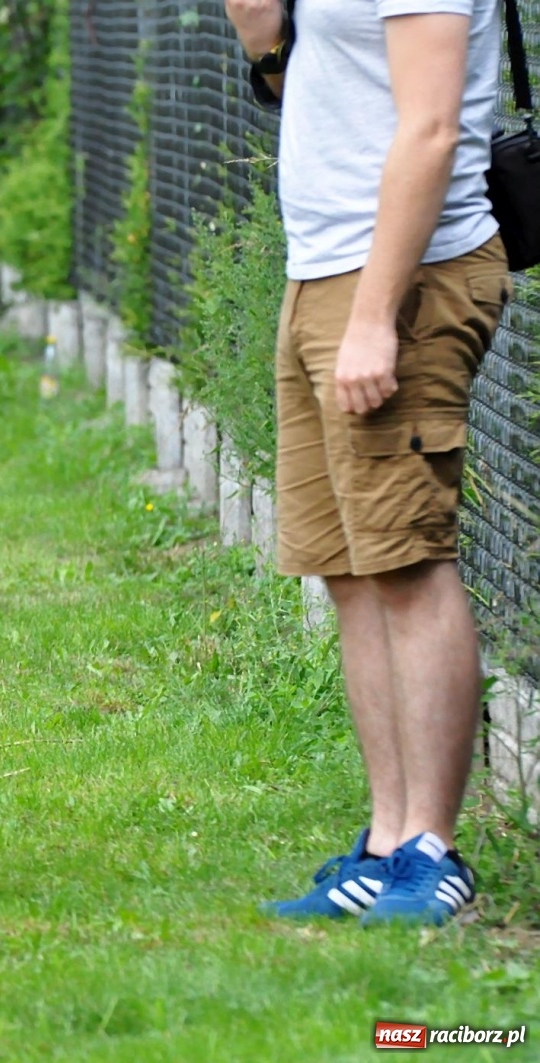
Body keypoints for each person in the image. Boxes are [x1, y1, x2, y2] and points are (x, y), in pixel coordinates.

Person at [227, 0, 510, 925]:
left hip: (400, 281)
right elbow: (316, 89)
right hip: (320, 271)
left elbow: (430, 129)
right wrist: (263, 35)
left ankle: (434, 847)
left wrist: (375, 316)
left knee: (406, 562)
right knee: (351, 569)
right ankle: (388, 845)